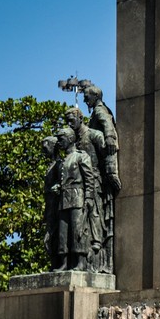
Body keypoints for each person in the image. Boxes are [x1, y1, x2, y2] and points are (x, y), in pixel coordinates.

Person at [83, 85, 122, 274]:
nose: (84, 100)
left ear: (95, 96)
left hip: (100, 174)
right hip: (98, 172)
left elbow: (109, 130)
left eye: (87, 96)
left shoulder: (99, 111)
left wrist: (110, 169)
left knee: (101, 220)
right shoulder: (98, 111)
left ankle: (104, 263)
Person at [53, 127, 99, 270]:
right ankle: (64, 263)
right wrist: (57, 186)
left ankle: (80, 262)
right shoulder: (61, 161)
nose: (59, 142)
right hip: (64, 198)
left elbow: (89, 178)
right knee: (63, 233)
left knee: (77, 231)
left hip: (78, 197)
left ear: (71, 139)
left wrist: (89, 197)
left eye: (62, 139)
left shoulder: (81, 156)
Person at [65, 107, 105, 267]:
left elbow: (107, 154)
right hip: (77, 185)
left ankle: (96, 241)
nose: (69, 123)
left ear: (80, 118)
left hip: (94, 178)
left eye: (71, 119)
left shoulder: (94, 135)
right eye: (67, 120)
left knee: (94, 211)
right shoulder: (71, 139)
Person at [40, 135, 63, 270]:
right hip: (50, 206)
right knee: (49, 239)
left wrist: (57, 187)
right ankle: (54, 264)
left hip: (57, 206)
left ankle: (58, 264)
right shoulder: (51, 165)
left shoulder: (59, 164)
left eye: (45, 147)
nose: (44, 151)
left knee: (53, 238)